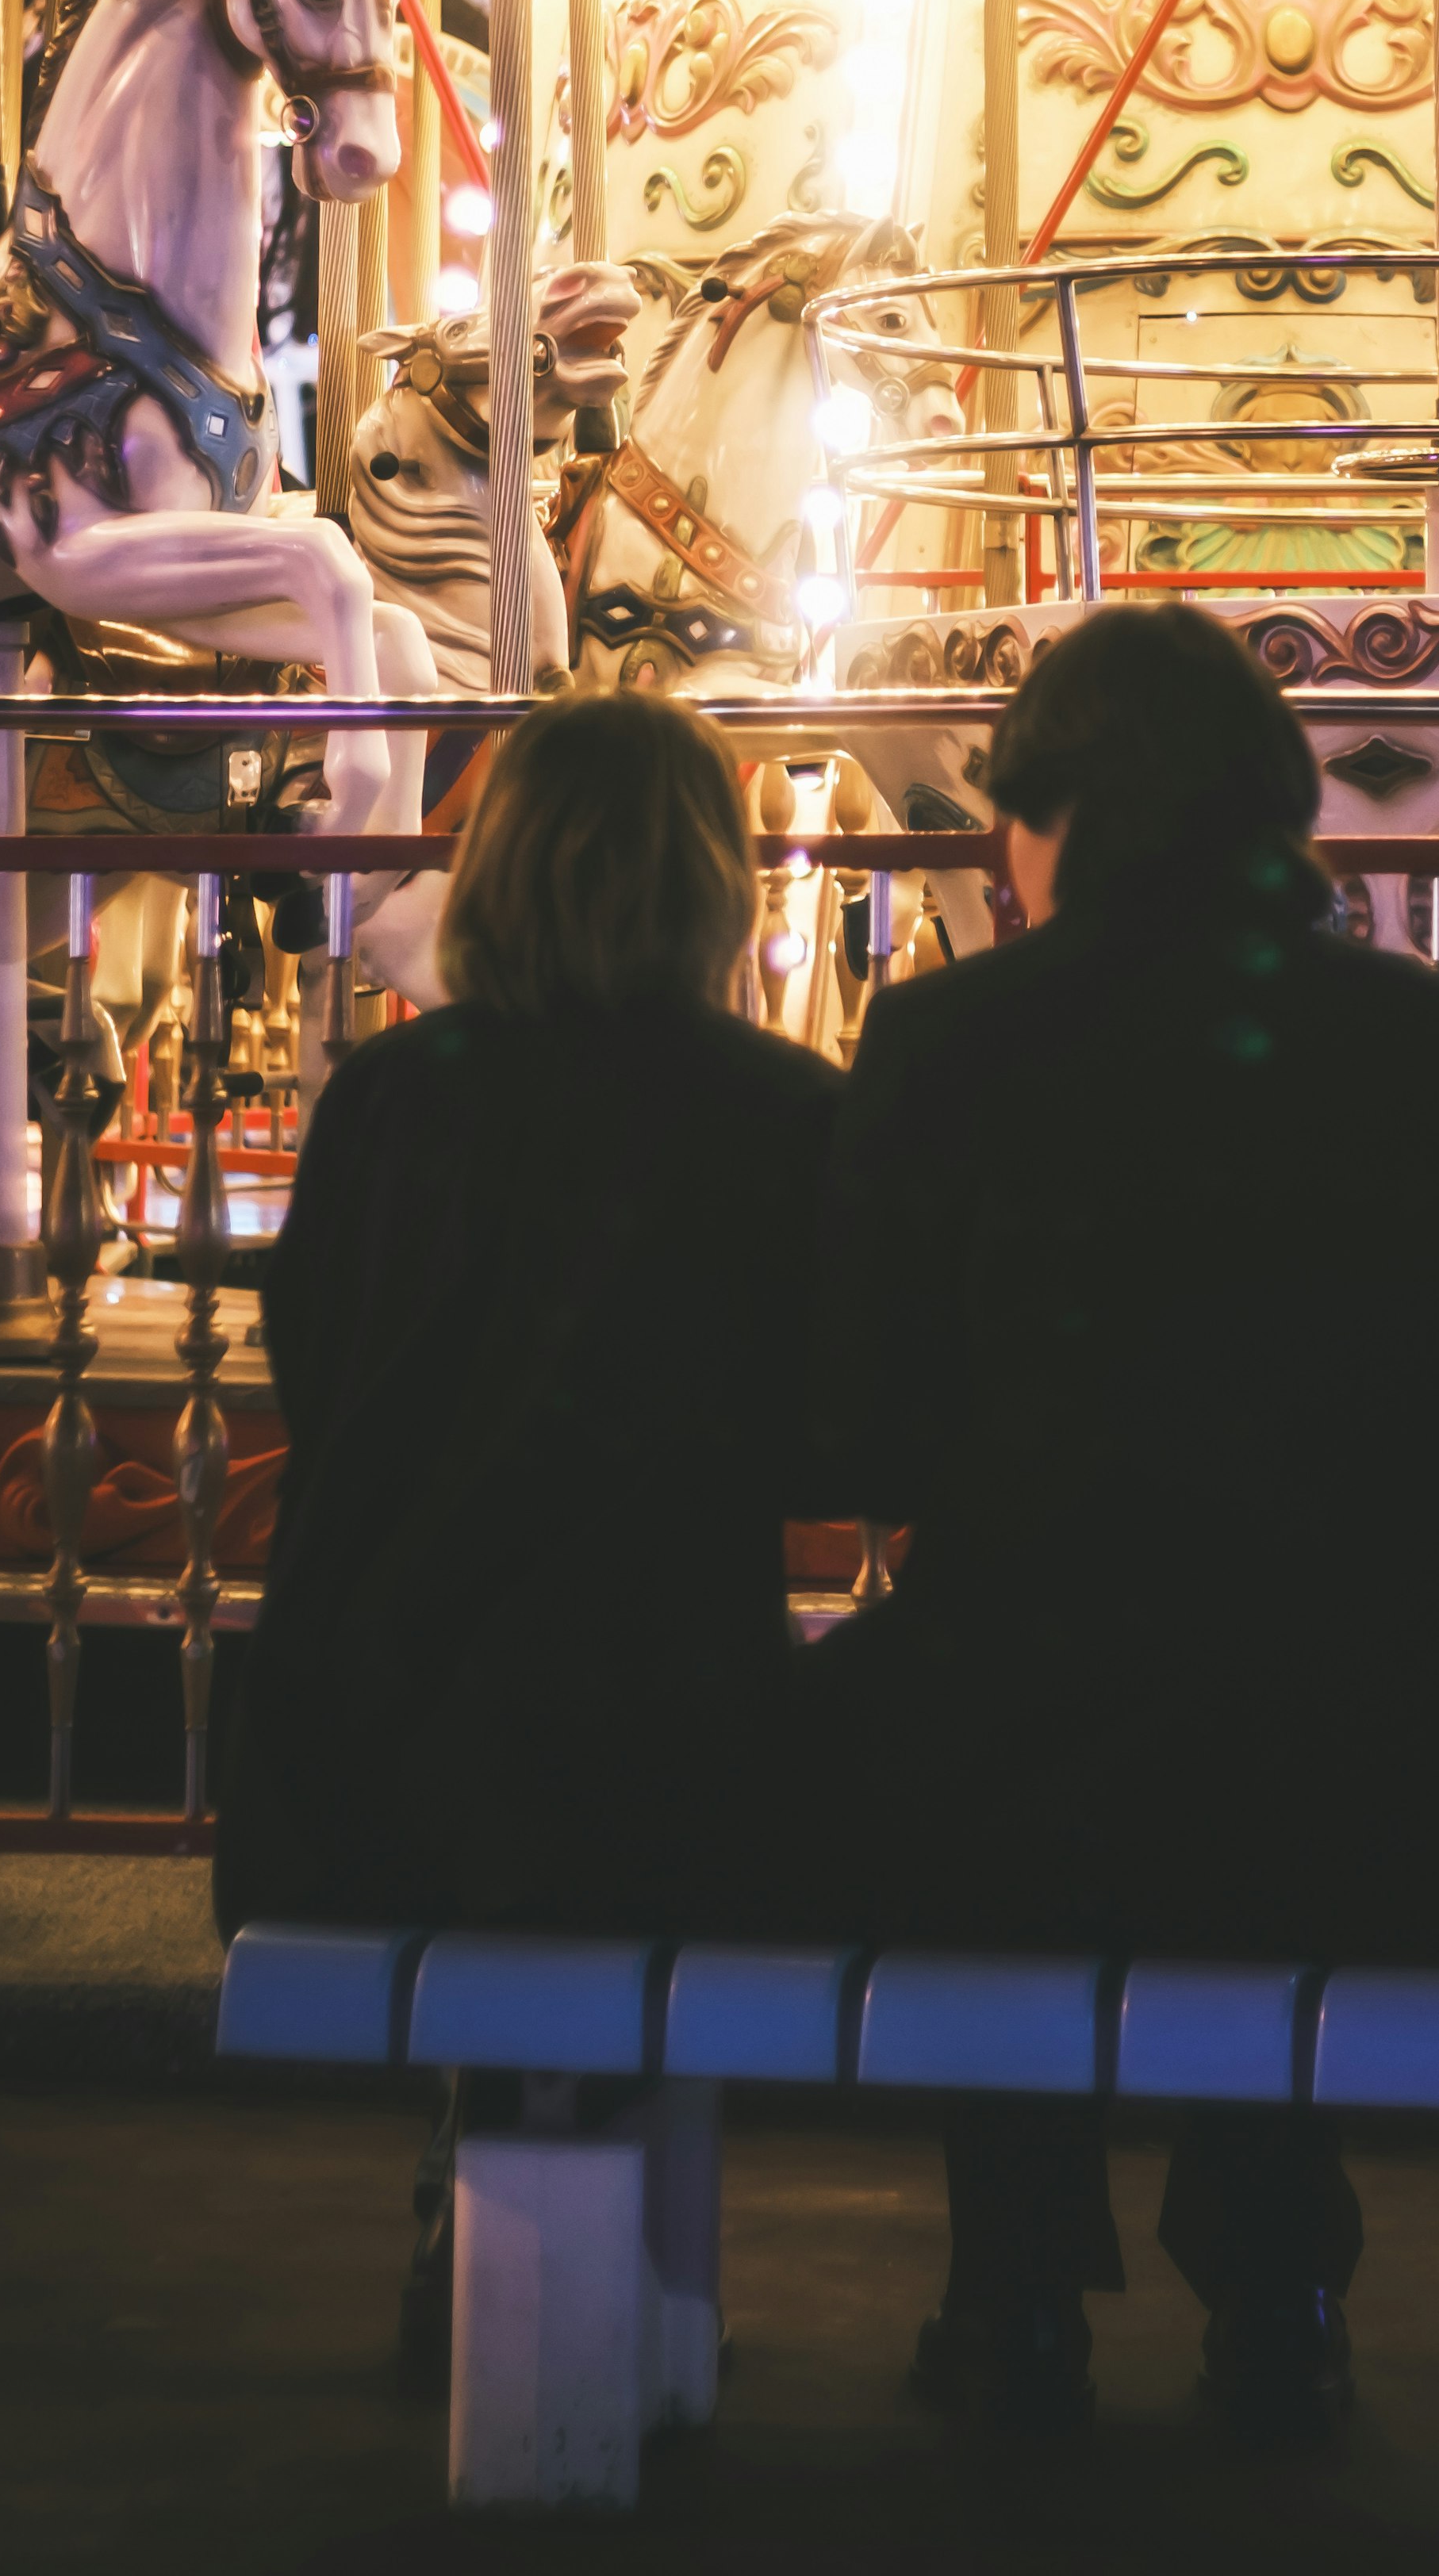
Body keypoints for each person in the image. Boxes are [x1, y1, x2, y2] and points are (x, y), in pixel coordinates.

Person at [804, 604, 1439, 2442]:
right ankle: (1282, 2289)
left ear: (1050, 814)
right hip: (1384, 1768)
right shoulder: (1422, 1041)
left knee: (990, 1740)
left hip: (1019, 1752)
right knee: (1283, 1723)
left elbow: (860, 1430)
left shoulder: (945, 1042)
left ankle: (1013, 2294)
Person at [215, 682, 839, 1947]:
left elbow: (317, 1368)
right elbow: (831, 1426)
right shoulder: (780, 1110)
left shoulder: (390, 1098)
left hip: (374, 1723)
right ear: (713, 879)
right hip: (660, 1732)